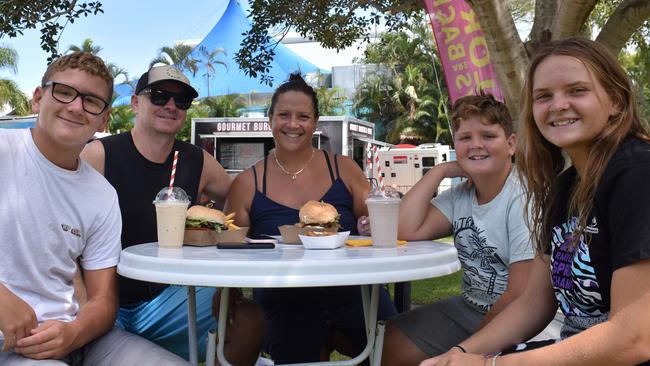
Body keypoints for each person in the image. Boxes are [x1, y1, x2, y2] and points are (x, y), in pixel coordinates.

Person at [421, 37, 650, 366]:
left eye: (577, 91)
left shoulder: (638, 174)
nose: (557, 105)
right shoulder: (564, 187)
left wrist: (490, 364)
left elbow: (634, 338)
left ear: (615, 101)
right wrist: (459, 353)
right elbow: (534, 303)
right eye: (544, 96)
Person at [0, 52, 190, 365]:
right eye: (63, 92)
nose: (75, 107)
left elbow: (103, 301)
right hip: (14, 345)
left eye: (91, 101)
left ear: (103, 118)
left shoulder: (100, 194)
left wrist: (72, 333)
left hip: (79, 336)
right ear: (38, 97)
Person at [81, 65, 264, 364]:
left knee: (247, 317)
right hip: (103, 301)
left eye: (181, 101)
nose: (170, 106)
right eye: (159, 96)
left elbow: (240, 199)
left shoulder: (195, 160)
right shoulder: (99, 154)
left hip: (169, 302)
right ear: (136, 102)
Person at [224, 73, 397, 363]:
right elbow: (231, 249)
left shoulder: (344, 169)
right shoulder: (247, 183)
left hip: (356, 292)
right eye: (284, 115)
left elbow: (375, 220)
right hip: (283, 301)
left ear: (315, 122)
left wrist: (370, 226)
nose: (293, 124)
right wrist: (227, 294)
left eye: (303, 116)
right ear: (270, 120)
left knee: (397, 353)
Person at [368, 93, 534, 366]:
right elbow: (404, 229)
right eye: (465, 138)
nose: (476, 145)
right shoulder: (461, 195)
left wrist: (466, 348)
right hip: (471, 306)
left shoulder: (523, 197)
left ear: (511, 144)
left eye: (488, 136)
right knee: (390, 340)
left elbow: (521, 295)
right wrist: (441, 171)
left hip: (519, 315)